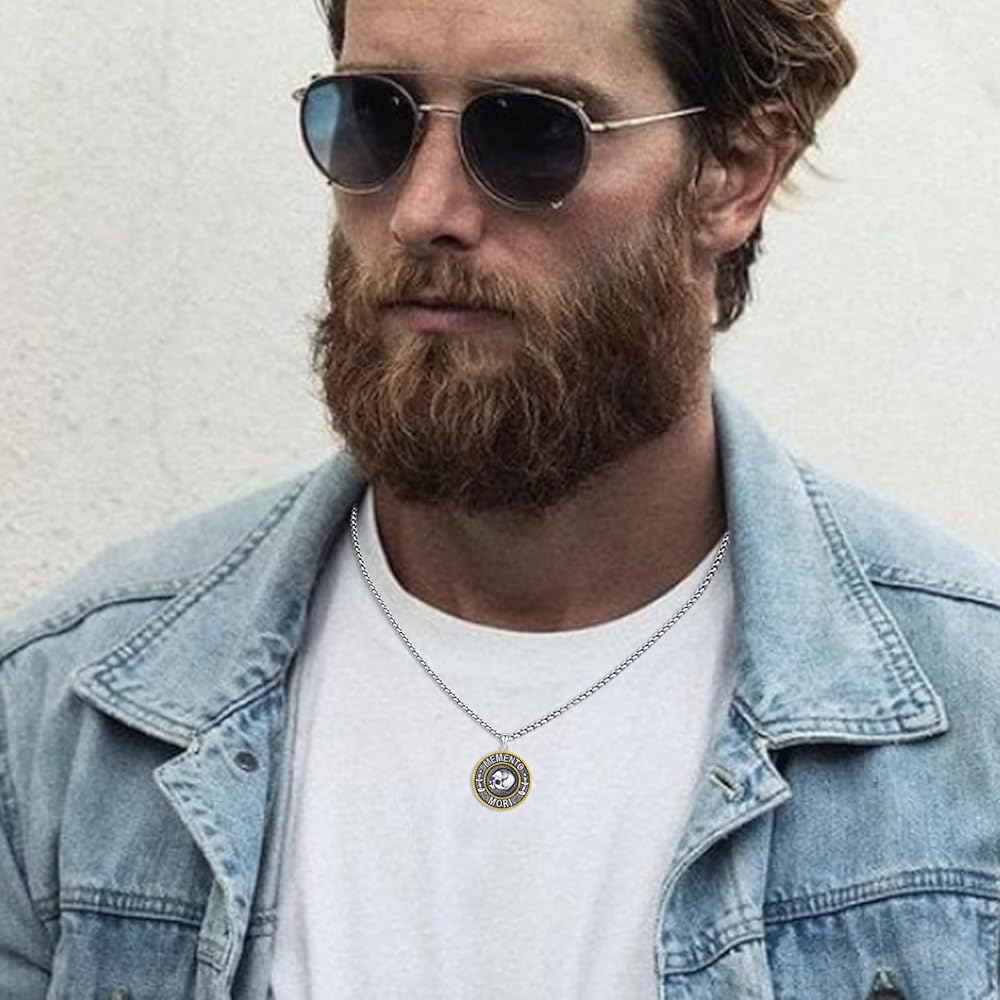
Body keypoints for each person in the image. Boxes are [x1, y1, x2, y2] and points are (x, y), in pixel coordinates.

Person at [2, 0, 998, 996]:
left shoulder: (972, 729)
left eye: (529, 132)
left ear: (735, 170)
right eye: (375, 118)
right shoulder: (66, 727)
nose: (423, 209)